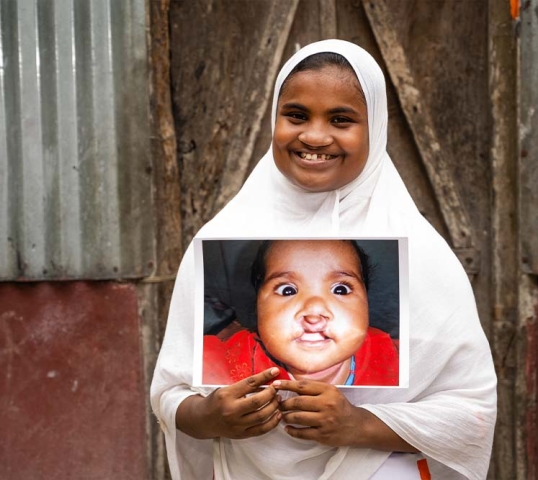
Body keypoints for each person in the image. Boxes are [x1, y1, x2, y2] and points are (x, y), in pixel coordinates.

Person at [151, 39, 497, 480]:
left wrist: (360, 425)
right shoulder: (217, 237)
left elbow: (471, 413)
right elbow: (169, 392)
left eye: (341, 119)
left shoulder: (426, 258)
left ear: (376, 129)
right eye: (296, 115)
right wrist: (206, 416)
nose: (314, 136)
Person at [202, 239, 400, 386]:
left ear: (366, 302)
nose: (314, 312)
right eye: (287, 290)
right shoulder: (224, 362)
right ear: (257, 307)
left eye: (341, 289)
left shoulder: (396, 357)